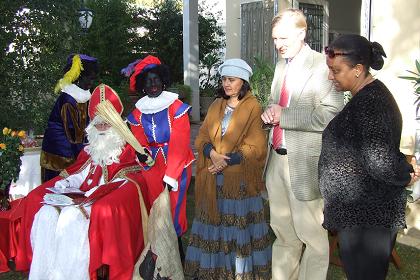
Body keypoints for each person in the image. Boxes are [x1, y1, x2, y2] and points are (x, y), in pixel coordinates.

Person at [18, 84, 148, 280]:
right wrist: (65, 184)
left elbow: (125, 180)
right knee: (46, 214)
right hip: (79, 196)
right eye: (98, 124)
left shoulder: (126, 151)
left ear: (116, 125)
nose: (102, 128)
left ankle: (72, 274)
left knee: (70, 217)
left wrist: (93, 194)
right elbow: (80, 172)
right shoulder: (90, 150)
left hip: (97, 199)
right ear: (92, 127)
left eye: (107, 124)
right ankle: (44, 273)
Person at [319, 34, 420, 280]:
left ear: (358, 69)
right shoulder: (367, 97)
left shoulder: (371, 104)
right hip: (361, 214)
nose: (331, 76)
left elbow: (380, 160)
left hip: (368, 218)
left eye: (336, 70)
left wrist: (406, 174)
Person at [260, 9, 344, 280]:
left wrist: (284, 116)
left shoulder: (323, 66)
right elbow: (279, 105)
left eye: (283, 37)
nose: (278, 44)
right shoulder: (282, 64)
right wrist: (269, 114)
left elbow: (331, 115)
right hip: (276, 161)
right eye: (274, 39)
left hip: (305, 165)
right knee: (283, 234)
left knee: (313, 240)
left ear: (301, 33)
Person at [184, 58, 272, 279]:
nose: (227, 84)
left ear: (243, 82)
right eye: (224, 79)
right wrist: (212, 154)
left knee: (235, 228)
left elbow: (256, 146)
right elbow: (203, 136)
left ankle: (237, 272)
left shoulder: (253, 107)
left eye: (231, 79)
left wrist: (226, 161)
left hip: (238, 182)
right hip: (213, 178)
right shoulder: (216, 105)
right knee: (214, 223)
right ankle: (212, 271)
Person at [123, 55, 195, 262]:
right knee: (156, 208)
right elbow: (137, 139)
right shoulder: (138, 112)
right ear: (142, 86)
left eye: (156, 80)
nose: (153, 84)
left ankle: (177, 255)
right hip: (152, 167)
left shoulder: (175, 107)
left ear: (163, 81)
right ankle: (160, 254)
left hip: (177, 166)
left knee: (174, 209)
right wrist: (142, 154)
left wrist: (171, 175)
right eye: (148, 81)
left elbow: (180, 144)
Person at [40, 53, 99, 182]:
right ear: (78, 77)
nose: (91, 82)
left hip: (71, 151)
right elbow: (73, 134)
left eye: (93, 79)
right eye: (88, 78)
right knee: (56, 192)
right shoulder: (69, 99)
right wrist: (88, 154)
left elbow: (87, 125)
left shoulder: (83, 97)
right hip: (59, 155)